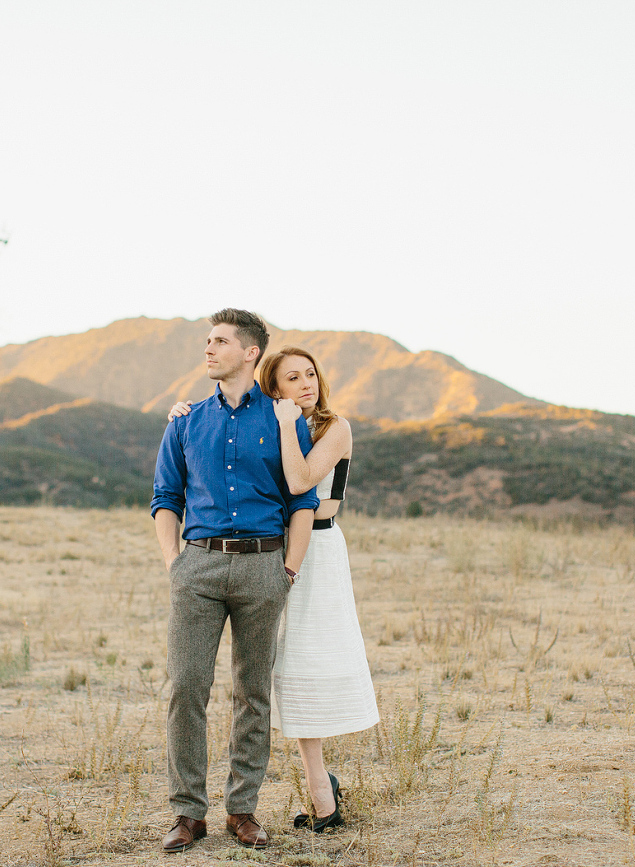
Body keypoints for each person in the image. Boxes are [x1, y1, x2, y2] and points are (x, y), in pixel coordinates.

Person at [170, 344, 378, 833]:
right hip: (268, 553)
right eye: (292, 378)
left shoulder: (332, 427)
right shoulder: (267, 420)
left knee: (300, 668)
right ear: (273, 387)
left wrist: (286, 425)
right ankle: (317, 787)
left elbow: (303, 481)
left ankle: (322, 795)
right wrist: (183, 414)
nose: (307, 384)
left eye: (311, 374)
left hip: (316, 555)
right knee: (275, 674)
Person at [151, 309, 319, 854]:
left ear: (250, 353)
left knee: (253, 693)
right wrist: (174, 561)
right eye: (207, 341)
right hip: (197, 566)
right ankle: (187, 814)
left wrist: (288, 569)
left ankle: (242, 810)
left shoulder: (282, 418)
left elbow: (303, 500)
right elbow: (164, 498)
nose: (208, 349)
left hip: (263, 565)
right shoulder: (185, 420)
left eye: (219, 341)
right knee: (186, 689)